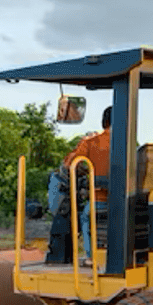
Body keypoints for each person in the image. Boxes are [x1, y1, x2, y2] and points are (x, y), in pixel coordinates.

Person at [48, 106, 110, 265]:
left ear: (105, 121)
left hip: (100, 198)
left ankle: (91, 257)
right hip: (124, 199)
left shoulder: (92, 142)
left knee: (85, 217)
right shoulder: (130, 143)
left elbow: (70, 165)